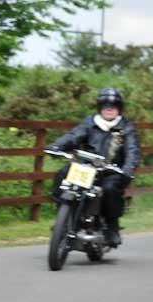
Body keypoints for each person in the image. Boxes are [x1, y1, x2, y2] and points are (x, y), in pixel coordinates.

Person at [48, 87, 141, 247]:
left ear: (119, 108)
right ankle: (63, 218)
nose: (109, 109)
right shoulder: (90, 123)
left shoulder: (126, 128)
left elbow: (132, 150)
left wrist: (128, 168)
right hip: (87, 167)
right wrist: (57, 146)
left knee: (110, 189)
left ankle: (112, 228)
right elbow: (74, 135)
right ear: (100, 107)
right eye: (105, 105)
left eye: (113, 106)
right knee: (62, 174)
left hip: (112, 170)